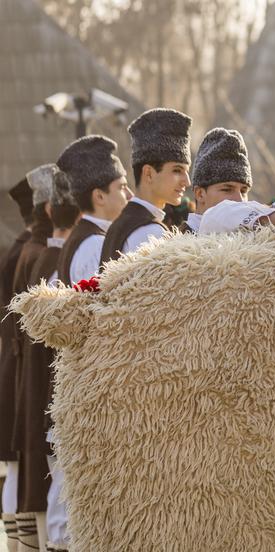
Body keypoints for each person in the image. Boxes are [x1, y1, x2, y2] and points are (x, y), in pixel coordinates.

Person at [48, 135, 131, 552]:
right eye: (120, 188)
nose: (128, 194)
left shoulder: (78, 240)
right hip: (91, 382)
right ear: (99, 195)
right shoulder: (96, 244)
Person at [15, 169, 80, 552]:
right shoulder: (48, 258)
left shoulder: (40, 253)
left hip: (34, 381)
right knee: (54, 490)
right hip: (44, 383)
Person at [101, 108, 192, 263]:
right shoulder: (151, 233)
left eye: (186, 171)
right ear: (149, 173)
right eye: (177, 170)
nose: (187, 181)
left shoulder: (122, 224)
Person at [0, 177, 33, 551]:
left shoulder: (18, 248)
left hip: (11, 362)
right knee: (17, 468)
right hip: (16, 364)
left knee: (15, 469)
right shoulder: (26, 249)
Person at [182, 128, 253, 234]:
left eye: (243, 191)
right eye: (227, 189)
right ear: (200, 194)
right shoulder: (177, 248)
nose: (240, 200)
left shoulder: (252, 242)